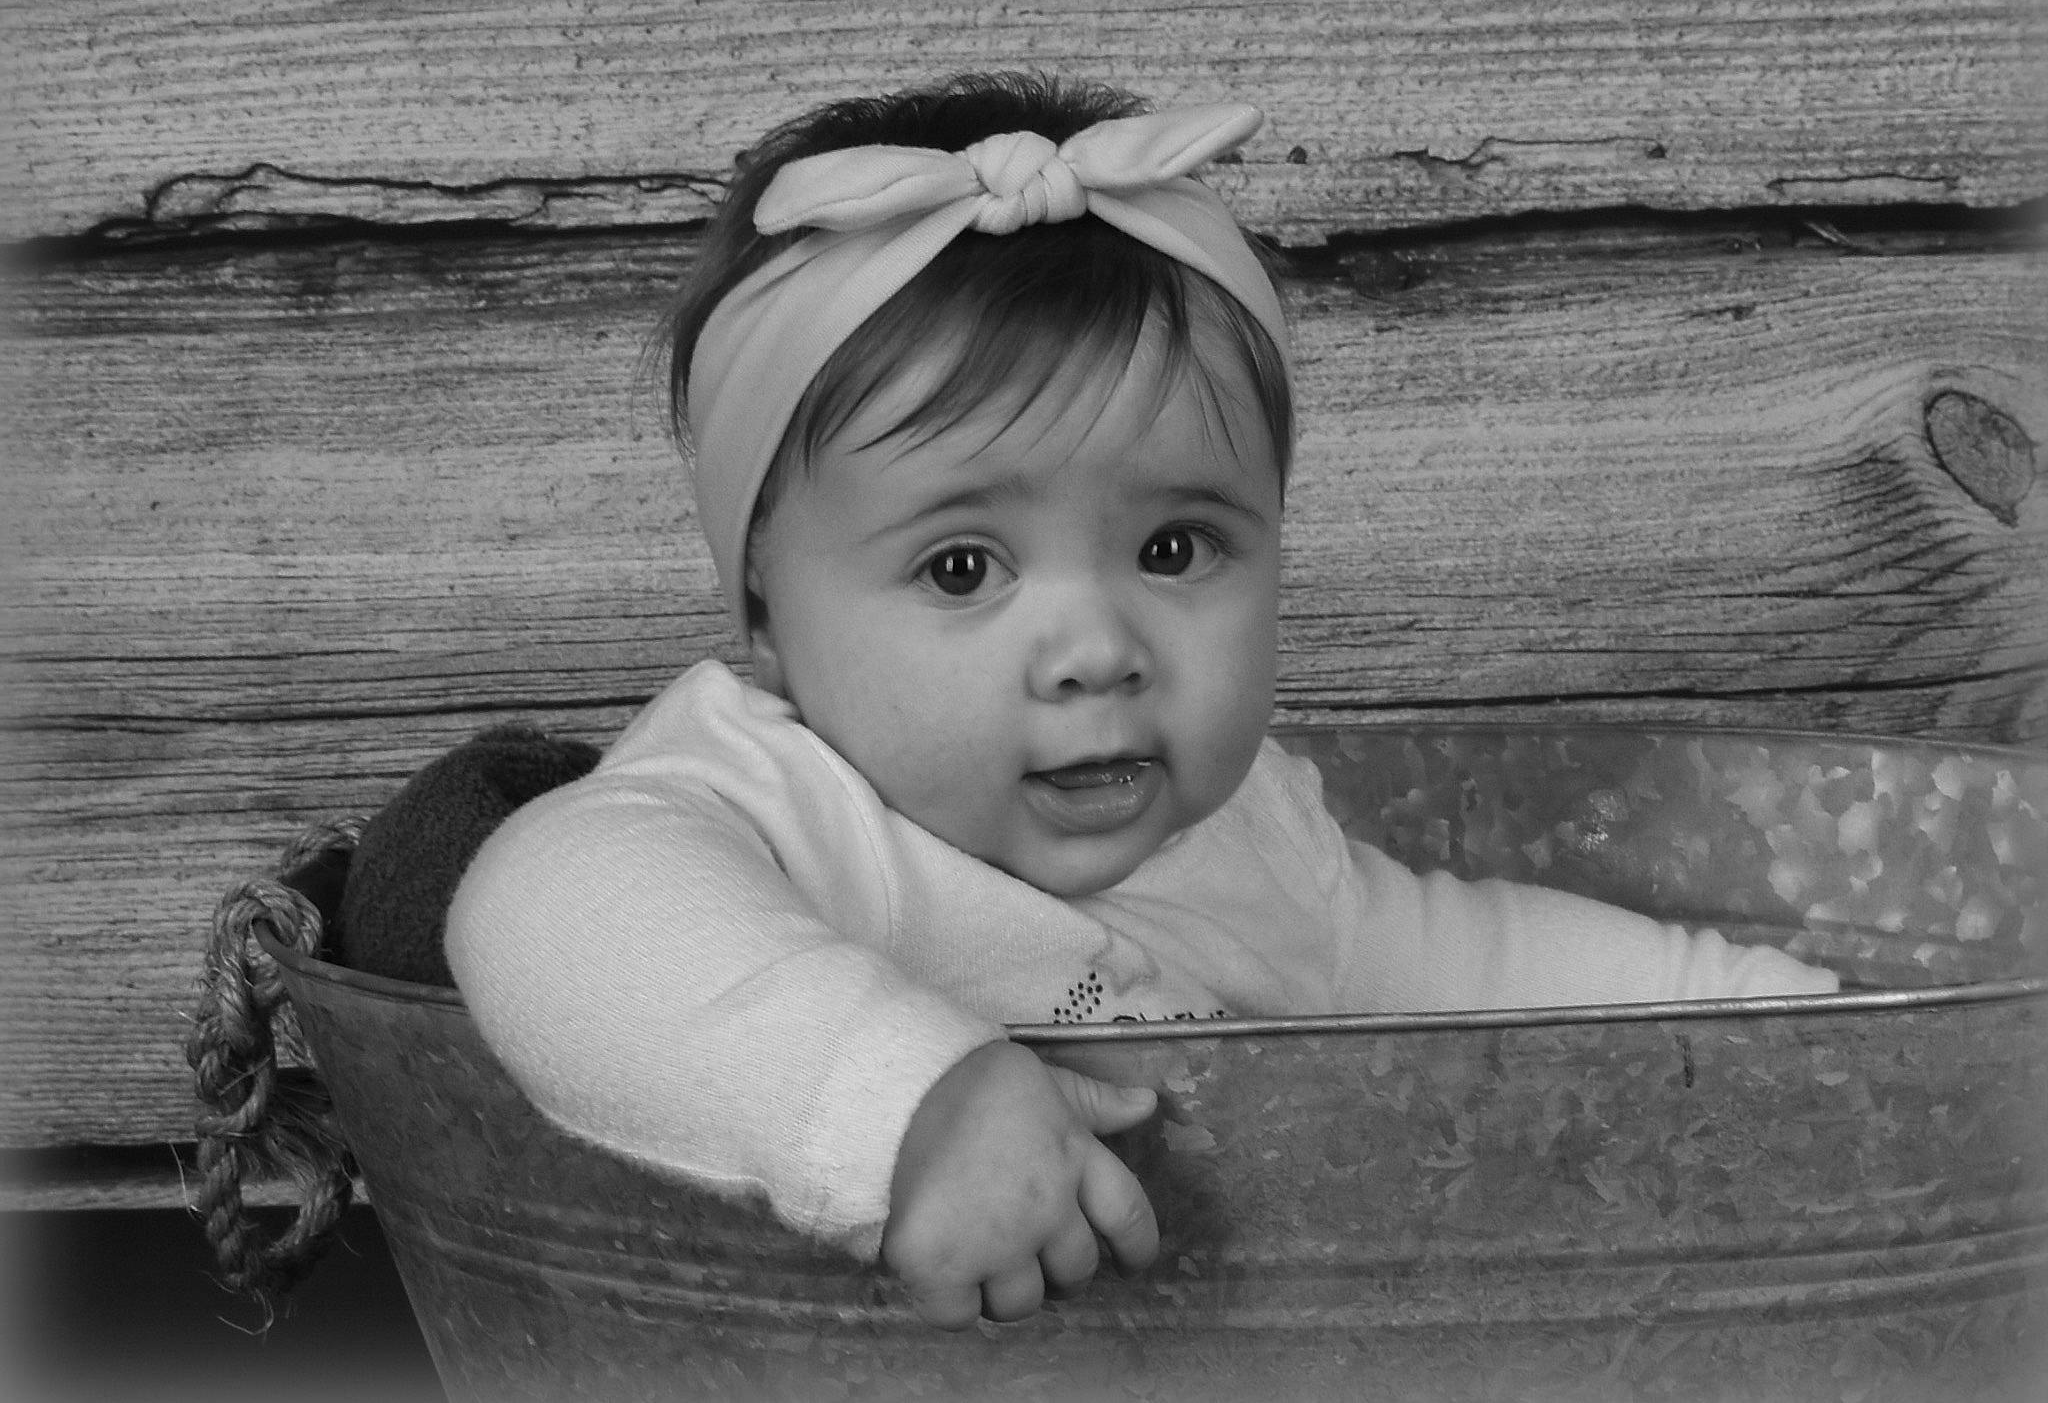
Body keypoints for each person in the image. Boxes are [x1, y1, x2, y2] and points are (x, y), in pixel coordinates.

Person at [445, 71, 1838, 1331]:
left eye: (1175, 549)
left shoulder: (1256, 844)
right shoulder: (764, 805)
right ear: (763, 608)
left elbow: (1476, 965)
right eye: (961, 566)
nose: (1096, 648)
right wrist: (903, 1112)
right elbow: (543, 909)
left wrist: (1785, 1018)